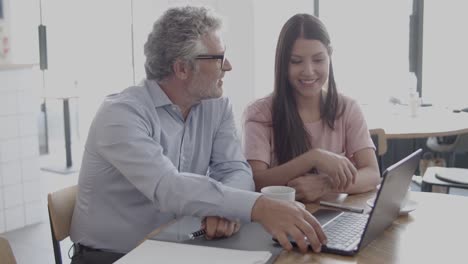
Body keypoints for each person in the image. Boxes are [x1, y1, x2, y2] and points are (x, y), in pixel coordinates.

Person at [69, 7, 327, 264]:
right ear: (182, 68)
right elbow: (168, 188)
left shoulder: (215, 105)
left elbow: (235, 169)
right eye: (219, 58)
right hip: (113, 256)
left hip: (180, 247)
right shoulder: (120, 115)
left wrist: (225, 210)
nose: (228, 66)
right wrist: (258, 206)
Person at [243, 14, 380, 203]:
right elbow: (255, 181)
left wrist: (327, 184)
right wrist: (313, 158)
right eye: (296, 61)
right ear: (283, 63)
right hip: (281, 222)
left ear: (329, 56)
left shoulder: (347, 108)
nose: (308, 71)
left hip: (336, 216)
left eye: (318, 60)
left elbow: (372, 174)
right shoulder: (260, 113)